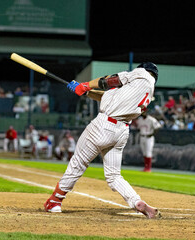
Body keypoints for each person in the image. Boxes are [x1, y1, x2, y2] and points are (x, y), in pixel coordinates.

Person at [44, 62, 161, 219]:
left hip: (103, 125)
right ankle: (136, 201)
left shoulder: (140, 73)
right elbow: (107, 96)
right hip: (121, 131)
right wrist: (84, 91)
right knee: (114, 176)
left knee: (78, 163)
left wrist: (85, 85)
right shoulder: (146, 89)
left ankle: (55, 202)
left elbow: (109, 80)